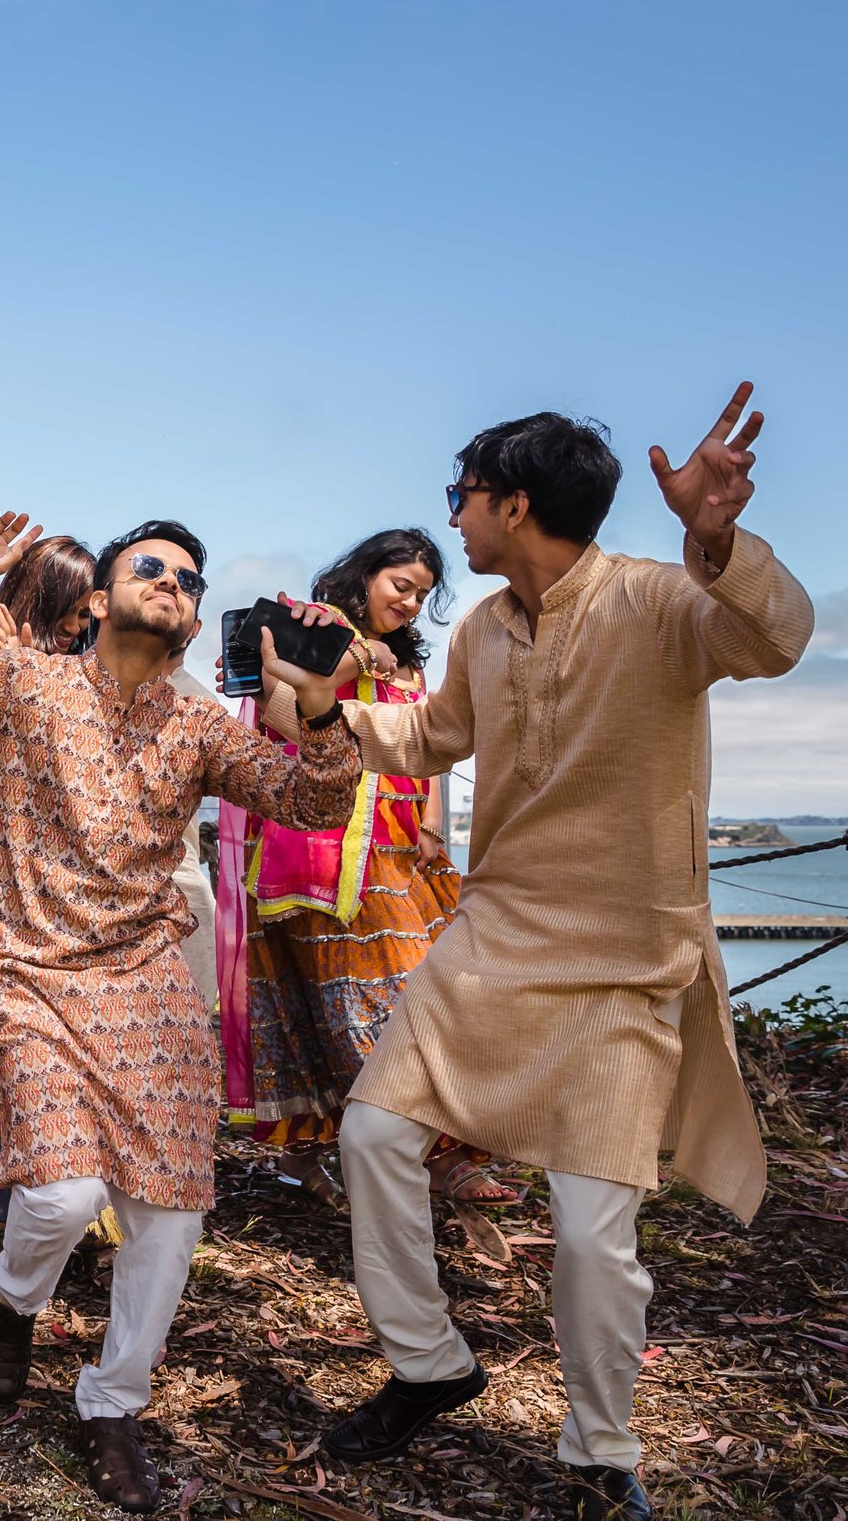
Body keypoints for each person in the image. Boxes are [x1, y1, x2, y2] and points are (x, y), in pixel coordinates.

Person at [318, 397, 810, 1521]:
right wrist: (331, 711)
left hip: (623, 959)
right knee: (372, 1131)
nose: (454, 518)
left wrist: (718, 539)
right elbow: (432, 736)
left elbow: (773, 637)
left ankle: (600, 1448)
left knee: (593, 1237)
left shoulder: (656, 598)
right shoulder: (483, 625)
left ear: (514, 502)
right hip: (492, 936)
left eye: (463, 497)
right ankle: (428, 1363)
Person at [0, 511, 363, 1515]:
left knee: (168, 1216)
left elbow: (312, 804)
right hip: (28, 970)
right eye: (151, 567)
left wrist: (314, 710)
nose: (173, 581)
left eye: (189, 575)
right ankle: (10, 1297)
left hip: (146, 979)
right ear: (97, 597)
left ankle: (111, 1401)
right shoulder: (26, 680)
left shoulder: (200, 725)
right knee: (54, 1196)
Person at [230, 528, 510, 1210]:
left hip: (407, 853)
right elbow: (282, 716)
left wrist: (434, 825)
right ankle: (394, 1155)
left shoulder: (409, 666)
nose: (411, 603)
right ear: (364, 576)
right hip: (327, 850)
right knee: (356, 1007)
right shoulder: (318, 632)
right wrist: (356, 652)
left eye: (421, 593)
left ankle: (437, 1149)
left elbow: (429, 748)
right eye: (400, 585)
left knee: (451, 993)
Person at [0, 535, 96, 1252]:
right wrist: (12, 672)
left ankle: (55, 1204)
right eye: (72, 601)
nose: (83, 617)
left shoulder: (97, 671)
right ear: (41, 594)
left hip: (72, 874)